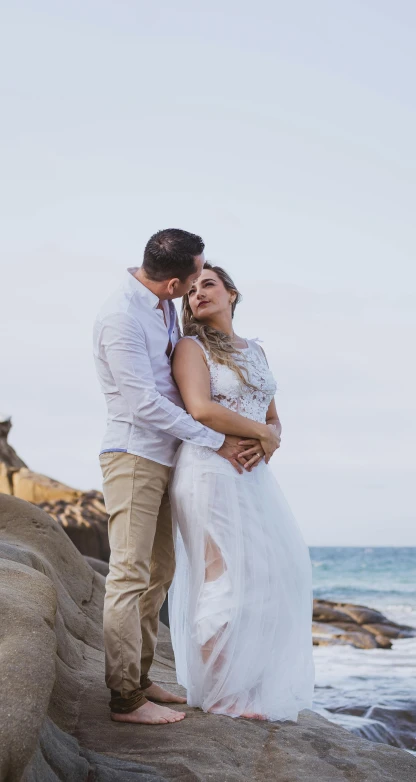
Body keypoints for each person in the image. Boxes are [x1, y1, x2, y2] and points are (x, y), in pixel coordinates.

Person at [93, 229, 280, 724]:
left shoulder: (163, 310)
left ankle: (141, 676)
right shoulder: (122, 316)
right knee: (130, 574)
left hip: (172, 457)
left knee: (160, 574)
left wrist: (260, 435)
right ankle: (125, 700)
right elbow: (146, 404)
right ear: (176, 281)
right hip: (135, 453)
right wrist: (216, 440)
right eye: (196, 276)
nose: (199, 285)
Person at [169, 263, 315, 721]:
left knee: (270, 578)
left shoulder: (257, 351)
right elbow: (201, 408)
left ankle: (247, 684)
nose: (198, 294)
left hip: (253, 477)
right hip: (209, 471)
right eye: (190, 292)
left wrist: (271, 437)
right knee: (223, 578)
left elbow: (273, 416)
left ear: (232, 294)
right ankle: (220, 691)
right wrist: (264, 435)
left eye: (207, 285)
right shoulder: (190, 348)